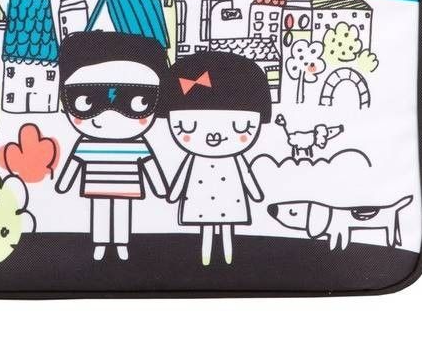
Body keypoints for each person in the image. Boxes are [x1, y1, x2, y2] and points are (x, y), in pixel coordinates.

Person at [55, 31, 169, 261]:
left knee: (122, 213)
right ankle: (100, 242)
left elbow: (149, 165)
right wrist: (64, 184)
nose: (110, 114)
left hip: (126, 186)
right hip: (97, 186)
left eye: (138, 101)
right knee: (99, 213)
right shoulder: (86, 144)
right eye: (87, 101)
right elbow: (75, 164)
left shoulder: (137, 145)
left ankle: (121, 243)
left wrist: (161, 189)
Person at [160, 51, 271, 265]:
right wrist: (172, 194)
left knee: (228, 227)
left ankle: (228, 257)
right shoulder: (195, 159)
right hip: (201, 196)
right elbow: (182, 177)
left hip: (230, 195)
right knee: (206, 229)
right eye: (188, 126)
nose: (214, 136)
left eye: (240, 126)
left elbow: (246, 175)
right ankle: (206, 257)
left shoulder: (234, 159)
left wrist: (256, 193)